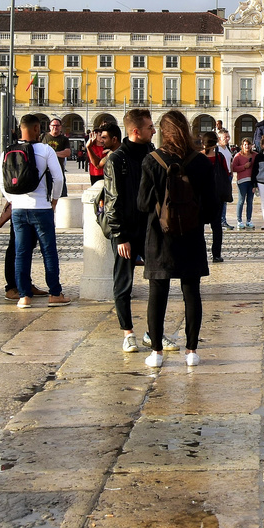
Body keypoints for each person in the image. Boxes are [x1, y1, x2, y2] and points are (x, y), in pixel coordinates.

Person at [137, 109, 216, 369]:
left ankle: (157, 353)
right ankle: (191, 351)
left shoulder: (152, 161)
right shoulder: (201, 162)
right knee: (191, 292)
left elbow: (142, 203)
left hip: (160, 237)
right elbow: (212, 207)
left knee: (157, 293)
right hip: (191, 235)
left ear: (164, 132)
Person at [5, 115, 69, 307]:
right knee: (48, 251)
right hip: (41, 207)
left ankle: (24, 296)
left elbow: (2, 183)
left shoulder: (8, 150)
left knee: (21, 252)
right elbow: (58, 178)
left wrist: (14, 200)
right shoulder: (45, 149)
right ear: (36, 129)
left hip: (18, 209)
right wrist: (54, 201)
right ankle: (55, 294)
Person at [100, 110, 149, 350]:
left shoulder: (151, 154)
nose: (154, 130)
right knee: (123, 282)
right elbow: (112, 200)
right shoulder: (116, 159)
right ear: (136, 131)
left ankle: (154, 331)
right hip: (126, 230)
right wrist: (120, 236)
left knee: (159, 279)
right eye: (150, 127)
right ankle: (127, 333)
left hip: (148, 228)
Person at [203, 132, 231, 263]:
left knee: (199, 227)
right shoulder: (219, 157)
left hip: (201, 196)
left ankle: (201, 254)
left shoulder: (198, 157)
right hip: (216, 195)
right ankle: (216, 254)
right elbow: (226, 173)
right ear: (215, 143)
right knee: (216, 226)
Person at [231, 138, 256, 229]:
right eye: (245, 145)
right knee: (241, 200)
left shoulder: (255, 155)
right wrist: (244, 167)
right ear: (242, 146)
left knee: (250, 201)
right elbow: (233, 168)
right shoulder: (238, 156)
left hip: (252, 181)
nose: (247, 146)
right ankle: (239, 220)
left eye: (248, 144)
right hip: (242, 181)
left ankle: (249, 220)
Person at [44, 118, 71, 196]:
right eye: (53, 125)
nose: (55, 127)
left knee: (62, 194)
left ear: (60, 127)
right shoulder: (43, 137)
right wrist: (59, 153)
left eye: (57, 125)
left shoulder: (64, 139)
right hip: (45, 170)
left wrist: (52, 154)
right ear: (50, 126)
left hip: (59, 169)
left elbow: (67, 153)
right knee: (46, 194)